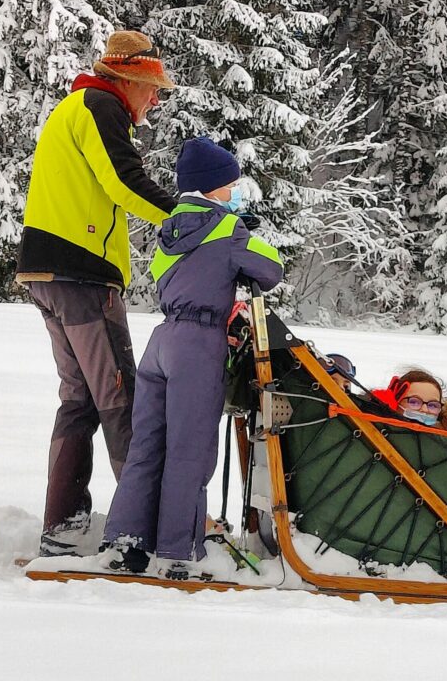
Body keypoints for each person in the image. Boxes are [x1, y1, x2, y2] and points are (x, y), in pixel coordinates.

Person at [17, 30, 177, 556]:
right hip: (82, 275)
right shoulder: (101, 105)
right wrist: (189, 219)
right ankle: (142, 525)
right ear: (128, 80)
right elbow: (123, 181)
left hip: (48, 272)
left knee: (80, 399)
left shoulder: (73, 108)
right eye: (152, 88)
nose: (155, 99)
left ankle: (62, 525)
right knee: (119, 397)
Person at [101, 137, 283, 575]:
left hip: (160, 342)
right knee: (190, 451)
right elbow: (272, 267)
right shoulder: (226, 227)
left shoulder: (167, 229)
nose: (235, 190)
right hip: (199, 344)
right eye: (231, 184)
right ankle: (177, 551)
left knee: (147, 446)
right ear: (213, 187)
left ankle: (127, 542)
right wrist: (242, 233)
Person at [373, 369, 445, 425]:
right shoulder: (371, 428)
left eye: (433, 405)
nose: (425, 409)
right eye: (414, 402)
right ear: (396, 402)